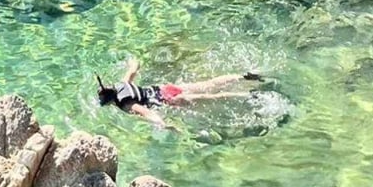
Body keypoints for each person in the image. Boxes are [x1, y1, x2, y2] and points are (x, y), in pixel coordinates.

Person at [96, 57, 263, 129]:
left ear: (111, 102)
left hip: (170, 100)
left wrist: (162, 124)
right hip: (165, 89)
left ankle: (248, 96)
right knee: (208, 85)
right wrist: (132, 61)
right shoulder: (123, 83)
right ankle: (243, 77)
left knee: (209, 98)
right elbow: (134, 68)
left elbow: (148, 113)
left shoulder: (127, 104)